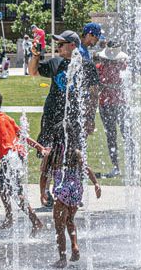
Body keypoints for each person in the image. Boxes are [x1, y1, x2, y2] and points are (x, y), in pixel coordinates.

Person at [28, 30, 98, 209]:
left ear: (73, 45)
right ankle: (47, 192)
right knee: (49, 154)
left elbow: (93, 94)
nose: (58, 47)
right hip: (53, 116)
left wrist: (90, 117)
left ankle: (75, 190)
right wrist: (35, 55)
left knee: (76, 154)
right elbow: (33, 71)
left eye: (61, 44)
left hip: (75, 119)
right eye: (57, 44)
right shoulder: (56, 62)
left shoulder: (87, 66)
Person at [0, 87, 46, 235]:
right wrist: (40, 147)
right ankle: (10, 216)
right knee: (0, 182)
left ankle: (34, 221)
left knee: (15, 191)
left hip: (10, 158)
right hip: (17, 155)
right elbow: (22, 136)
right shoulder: (6, 117)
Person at [50, 147, 101, 268]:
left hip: (62, 190)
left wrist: (43, 191)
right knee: (70, 220)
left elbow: (45, 174)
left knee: (59, 226)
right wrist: (96, 184)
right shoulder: (76, 152)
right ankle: (74, 246)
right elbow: (86, 169)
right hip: (76, 190)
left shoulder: (56, 151)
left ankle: (62, 258)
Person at [95, 49, 128, 178]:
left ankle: (129, 165)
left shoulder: (122, 66)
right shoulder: (99, 68)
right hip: (106, 104)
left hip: (119, 104)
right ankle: (116, 166)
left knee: (125, 134)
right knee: (111, 135)